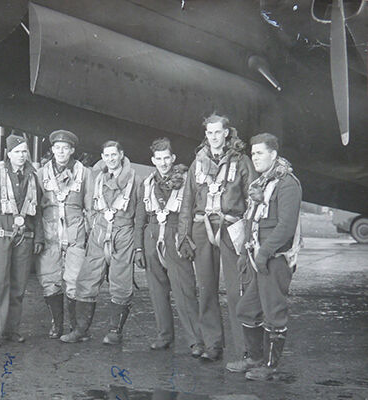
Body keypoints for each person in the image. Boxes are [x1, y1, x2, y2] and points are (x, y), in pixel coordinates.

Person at [177, 113, 257, 361]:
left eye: (217, 132)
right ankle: (213, 344)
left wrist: (250, 236)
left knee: (236, 291)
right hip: (203, 228)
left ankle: (245, 348)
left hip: (231, 227)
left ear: (226, 133)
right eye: (208, 133)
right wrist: (183, 235)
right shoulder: (197, 163)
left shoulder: (241, 162)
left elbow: (253, 198)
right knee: (207, 288)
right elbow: (188, 201)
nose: (213, 137)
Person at [226, 133, 302, 380]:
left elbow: (286, 226)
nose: (255, 157)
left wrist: (264, 254)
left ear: (273, 154)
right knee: (247, 309)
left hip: (274, 259)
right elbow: (251, 219)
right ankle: (255, 358)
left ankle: (270, 367)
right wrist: (245, 252)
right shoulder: (262, 183)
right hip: (256, 257)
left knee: (274, 312)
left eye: (259, 153)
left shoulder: (287, 183)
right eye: (253, 153)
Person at [61, 140, 140, 345]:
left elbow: (140, 214)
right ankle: (80, 330)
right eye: (106, 155)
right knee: (86, 279)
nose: (110, 159)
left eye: (114, 155)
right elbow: (90, 205)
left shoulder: (135, 180)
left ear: (121, 155)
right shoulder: (96, 177)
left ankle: (115, 331)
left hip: (123, 233)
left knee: (120, 282)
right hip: (99, 232)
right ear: (102, 157)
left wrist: (137, 245)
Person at [133, 138, 203, 354]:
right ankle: (164, 336)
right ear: (153, 160)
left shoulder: (186, 180)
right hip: (152, 236)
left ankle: (195, 341)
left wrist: (186, 240)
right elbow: (139, 218)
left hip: (175, 235)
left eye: (167, 158)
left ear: (173, 158)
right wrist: (138, 248)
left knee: (184, 290)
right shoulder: (147, 183)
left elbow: (191, 213)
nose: (163, 163)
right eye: (159, 159)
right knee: (156, 291)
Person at [0, 134, 44, 347]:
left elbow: (38, 210)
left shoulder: (33, 176)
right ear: (8, 154)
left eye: (24, 152)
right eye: (17, 152)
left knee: (18, 284)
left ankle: (11, 329)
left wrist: (39, 236)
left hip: (25, 237)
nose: (21, 156)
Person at [36, 130, 92, 339]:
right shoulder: (42, 173)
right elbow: (37, 207)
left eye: (65, 148)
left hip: (75, 235)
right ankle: (56, 324)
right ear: (52, 150)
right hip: (50, 234)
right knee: (50, 280)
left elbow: (89, 206)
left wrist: (89, 234)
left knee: (74, 280)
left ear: (72, 150)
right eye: (57, 148)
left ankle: (75, 327)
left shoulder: (84, 173)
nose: (61, 151)